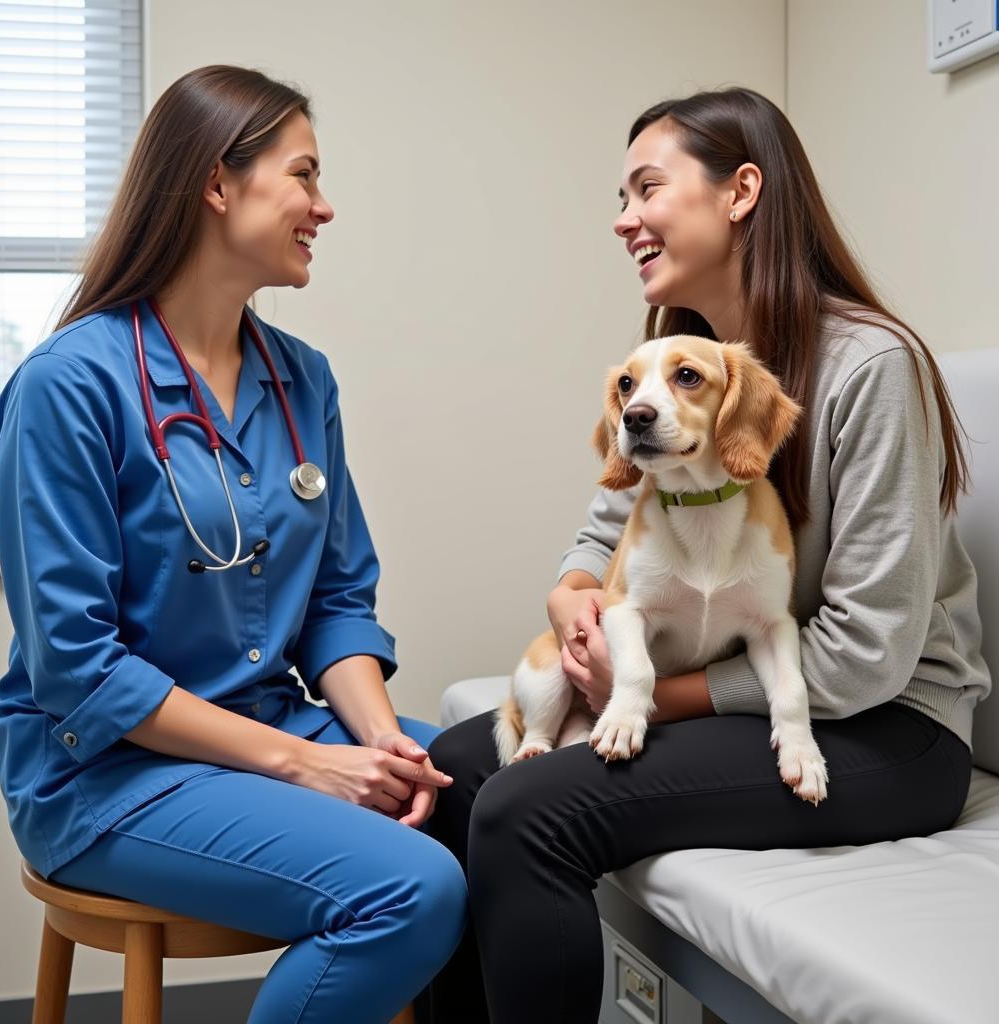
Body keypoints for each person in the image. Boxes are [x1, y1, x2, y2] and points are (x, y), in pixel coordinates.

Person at [418, 87, 991, 1024]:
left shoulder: (871, 367)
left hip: (889, 730)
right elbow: (608, 529)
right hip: (762, 687)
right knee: (458, 765)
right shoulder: (682, 360)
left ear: (741, 192)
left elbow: (870, 655)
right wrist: (572, 598)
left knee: (529, 813)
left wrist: (641, 693)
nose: (624, 219)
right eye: (622, 196)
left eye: (647, 188)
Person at [0, 65, 466, 1024]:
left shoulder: (302, 382)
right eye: (304, 176)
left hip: (275, 725)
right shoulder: (66, 388)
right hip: (109, 774)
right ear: (217, 184)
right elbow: (78, 671)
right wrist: (307, 766)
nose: (323, 208)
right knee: (409, 887)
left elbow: (336, 603)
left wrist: (374, 741)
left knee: (499, 803)